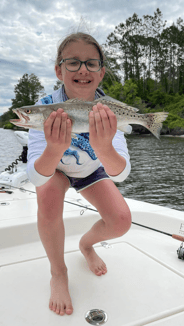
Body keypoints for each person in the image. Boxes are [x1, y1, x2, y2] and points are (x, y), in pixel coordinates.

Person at [27, 32, 132, 316]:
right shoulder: (44, 107)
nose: (83, 69)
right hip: (56, 170)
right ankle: (58, 272)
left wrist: (104, 148)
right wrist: (53, 150)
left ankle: (86, 245)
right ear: (59, 70)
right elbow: (36, 176)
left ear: (101, 73)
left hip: (90, 170)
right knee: (47, 204)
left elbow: (120, 173)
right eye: (73, 62)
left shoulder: (110, 109)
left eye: (91, 63)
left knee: (121, 221)